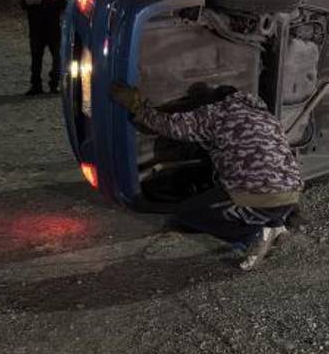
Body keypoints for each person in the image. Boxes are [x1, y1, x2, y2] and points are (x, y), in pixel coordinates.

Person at [110, 82, 303, 270]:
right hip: (292, 194)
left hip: (258, 194)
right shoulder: (266, 116)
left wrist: (136, 105)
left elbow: (170, 126)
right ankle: (277, 225)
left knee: (187, 213)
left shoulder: (216, 113)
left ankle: (252, 236)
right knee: (259, 185)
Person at [19, 0, 67, 96]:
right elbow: (23, 4)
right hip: (36, 30)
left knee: (57, 58)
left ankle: (54, 84)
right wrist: (31, 2)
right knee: (36, 60)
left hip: (53, 30)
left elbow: (63, 4)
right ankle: (36, 86)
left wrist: (43, 1)